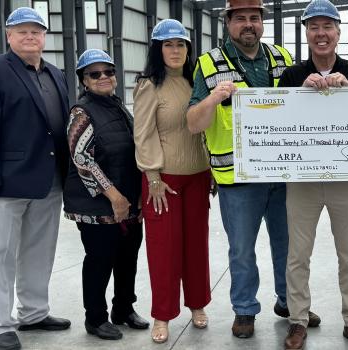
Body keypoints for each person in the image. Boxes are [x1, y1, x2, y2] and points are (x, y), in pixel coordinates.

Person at [185, 0, 319, 339]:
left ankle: (289, 302)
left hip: (282, 175)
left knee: (287, 246)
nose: (249, 25)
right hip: (238, 179)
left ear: (262, 23)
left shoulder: (282, 58)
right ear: (228, 22)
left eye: (255, 18)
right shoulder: (208, 64)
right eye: (241, 18)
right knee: (242, 249)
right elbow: (193, 124)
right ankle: (244, 309)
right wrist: (214, 98)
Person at [0, 7, 72, 350]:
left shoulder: (56, 74)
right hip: (8, 183)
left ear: (44, 37)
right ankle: (2, 325)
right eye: (22, 31)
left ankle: (34, 313)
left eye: (36, 31)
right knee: (0, 254)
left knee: (39, 251)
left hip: (49, 181)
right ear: (9, 36)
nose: (30, 36)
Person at [277, 1, 348, 349]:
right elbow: (278, 124)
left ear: (338, 32)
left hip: (345, 179)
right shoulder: (291, 75)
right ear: (306, 33)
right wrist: (299, 95)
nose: (321, 34)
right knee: (298, 254)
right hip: (302, 179)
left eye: (327, 27)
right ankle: (298, 320)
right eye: (314, 27)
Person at [133, 19, 212, 344]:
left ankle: (197, 305)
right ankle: (162, 315)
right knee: (164, 251)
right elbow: (143, 133)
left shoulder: (199, 81)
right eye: (168, 44)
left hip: (198, 177)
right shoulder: (150, 85)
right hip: (162, 182)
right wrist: (152, 176)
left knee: (197, 246)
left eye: (181, 44)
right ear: (157, 49)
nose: (176, 50)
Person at [63, 49, 147, 341]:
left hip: (128, 196)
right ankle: (95, 318)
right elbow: (81, 158)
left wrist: (136, 193)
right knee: (100, 259)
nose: (103, 78)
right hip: (97, 204)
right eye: (94, 74)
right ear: (84, 80)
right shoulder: (81, 111)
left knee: (128, 256)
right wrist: (114, 196)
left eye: (108, 72)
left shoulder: (117, 106)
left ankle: (123, 309)